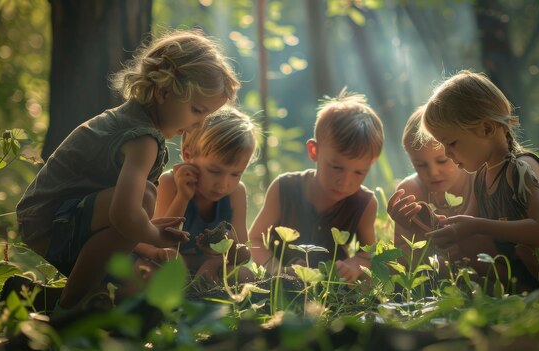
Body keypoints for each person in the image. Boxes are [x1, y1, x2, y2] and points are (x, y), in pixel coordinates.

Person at [15, 29, 240, 312]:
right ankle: (69, 307)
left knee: (137, 284)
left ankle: (39, 299)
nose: (199, 124)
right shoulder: (142, 139)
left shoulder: (130, 120)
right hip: (49, 222)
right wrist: (153, 236)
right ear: (163, 91)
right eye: (197, 110)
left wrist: (147, 232)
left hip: (59, 219)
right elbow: (124, 215)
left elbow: (125, 217)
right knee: (145, 197)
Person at [388, 70, 539, 291]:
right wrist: (424, 222)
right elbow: (466, 225)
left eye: (452, 144)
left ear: (486, 129)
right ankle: (521, 292)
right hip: (519, 260)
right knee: (469, 242)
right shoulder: (481, 176)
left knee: (529, 246)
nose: (448, 154)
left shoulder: (521, 170)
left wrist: (477, 226)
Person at [249, 90, 384, 283]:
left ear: (372, 162)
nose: (345, 181)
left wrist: (354, 265)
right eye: (337, 167)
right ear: (314, 151)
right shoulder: (284, 188)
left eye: (359, 172)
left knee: (365, 288)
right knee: (243, 278)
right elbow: (254, 239)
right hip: (278, 284)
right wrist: (278, 271)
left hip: (331, 286)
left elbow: (368, 254)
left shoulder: (364, 203)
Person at [135, 107, 258, 283]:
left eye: (235, 174)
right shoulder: (170, 183)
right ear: (187, 155)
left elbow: (243, 256)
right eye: (214, 171)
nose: (224, 184)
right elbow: (160, 241)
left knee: (245, 276)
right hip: (172, 262)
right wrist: (183, 197)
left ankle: (203, 283)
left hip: (212, 264)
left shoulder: (236, 192)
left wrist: (227, 246)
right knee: (152, 271)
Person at [391, 105, 475, 266]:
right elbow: (401, 259)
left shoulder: (475, 179)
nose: (433, 172)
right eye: (421, 165)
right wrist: (413, 230)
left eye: (442, 161)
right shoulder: (410, 192)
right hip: (432, 273)